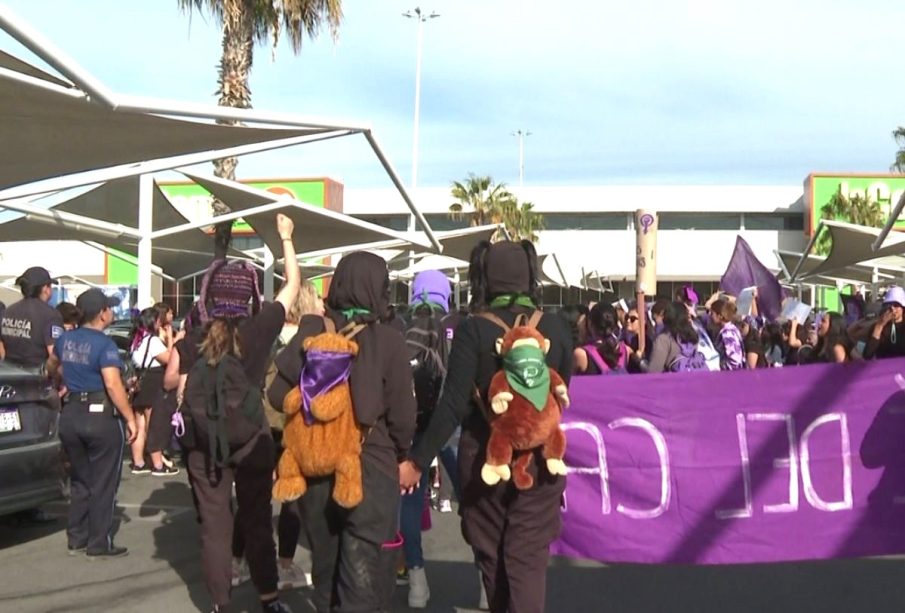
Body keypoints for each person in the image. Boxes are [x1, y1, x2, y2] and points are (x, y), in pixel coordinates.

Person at [400, 240, 573, 613]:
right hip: (540, 460)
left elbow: (452, 406)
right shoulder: (557, 328)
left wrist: (416, 461)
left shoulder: (474, 329)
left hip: (484, 458)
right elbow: (562, 395)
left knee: (493, 558)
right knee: (527, 562)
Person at [267, 251, 417, 613]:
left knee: (326, 569)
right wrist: (402, 455)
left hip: (317, 471)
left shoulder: (313, 328)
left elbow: (274, 393)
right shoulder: (389, 340)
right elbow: (402, 417)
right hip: (370, 469)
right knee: (364, 577)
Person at [184, 213, 300, 613]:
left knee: (215, 527)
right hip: (253, 437)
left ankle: (219, 603)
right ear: (250, 295)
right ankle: (268, 598)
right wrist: (286, 239)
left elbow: (179, 384)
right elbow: (293, 287)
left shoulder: (194, 334)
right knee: (256, 519)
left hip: (203, 442)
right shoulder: (260, 327)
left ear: (210, 295)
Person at [231, 277, 324, 591]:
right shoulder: (310, 337)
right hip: (293, 422)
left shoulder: (265, 334)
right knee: (291, 497)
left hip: (260, 420)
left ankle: (236, 560)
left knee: (253, 496)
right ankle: (285, 563)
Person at [46, 289, 138, 557]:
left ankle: (76, 536)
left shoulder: (66, 339)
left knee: (80, 478)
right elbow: (112, 383)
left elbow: (51, 365)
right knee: (104, 482)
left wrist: (65, 379)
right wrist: (130, 417)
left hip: (72, 412)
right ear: (101, 314)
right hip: (100, 415)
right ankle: (99, 542)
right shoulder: (104, 344)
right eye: (109, 308)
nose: (111, 312)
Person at [398, 269, 452, 608]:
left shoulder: (405, 327)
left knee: (408, 502)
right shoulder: (458, 326)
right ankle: (487, 575)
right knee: (475, 502)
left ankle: (416, 578)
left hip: (413, 426)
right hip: (452, 424)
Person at [129, 307, 179, 476]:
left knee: (139, 425)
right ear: (154, 322)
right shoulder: (152, 341)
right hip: (153, 383)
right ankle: (157, 464)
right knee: (154, 425)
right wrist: (173, 339)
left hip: (140, 383)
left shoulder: (136, 341)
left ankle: (138, 462)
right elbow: (170, 358)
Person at [0, 266, 64, 369]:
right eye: (50, 286)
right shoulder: (51, 315)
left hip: (10, 376)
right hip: (37, 379)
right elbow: (55, 354)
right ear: (45, 289)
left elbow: (2, 348)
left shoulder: (8, 312)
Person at [647, 301, 707, 373]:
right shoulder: (693, 336)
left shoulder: (664, 339)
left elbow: (654, 371)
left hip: (673, 382)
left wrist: (641, 362)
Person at [573, 302, 632, 375]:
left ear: (590, 324)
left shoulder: (581, 354)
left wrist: (581, 335)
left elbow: (568, 382)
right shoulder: (626, 351)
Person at [863, 286, 905, 359]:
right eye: (889, 305)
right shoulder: (877, 327)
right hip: (884, 368)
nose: (892, 308)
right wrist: (880, 326)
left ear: (903, 308)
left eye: (896, 305)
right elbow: (867, 355)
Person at [709, 299, 745, 370]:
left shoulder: (728, 334)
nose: (710, 316)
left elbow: (735, 360)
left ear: (720, 316)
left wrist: (717, 366)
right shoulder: (731, 329)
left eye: (712, 313)